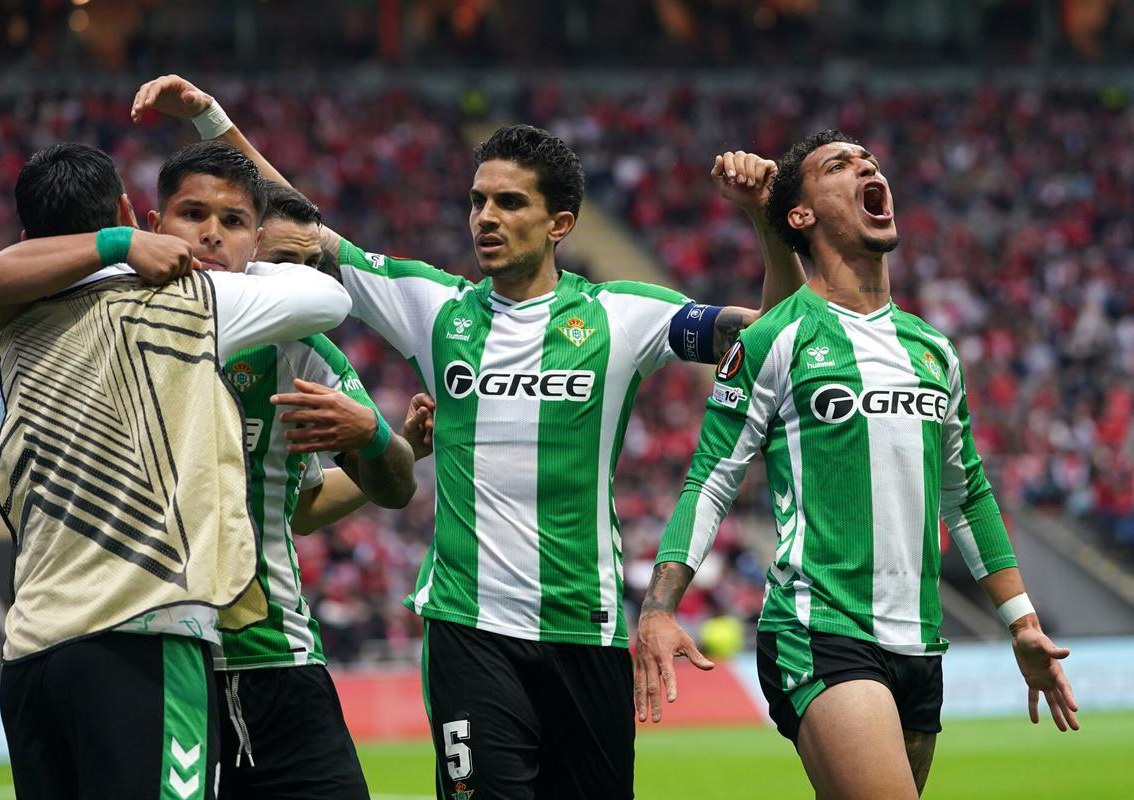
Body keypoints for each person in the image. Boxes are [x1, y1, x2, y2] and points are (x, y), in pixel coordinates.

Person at [132, 73, 806, 800]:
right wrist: (210, 118)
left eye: (510, 202)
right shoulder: (437, 308)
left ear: (561, 223)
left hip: (591, 632)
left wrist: (768, 223)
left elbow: (776, 336)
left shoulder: (623, 314)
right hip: (469, 631)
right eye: (478, 200)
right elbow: (294, 222)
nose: (485, 216)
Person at [635, 129, 1080, 799]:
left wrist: (1022, 623)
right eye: (839, 166)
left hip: (920, 645)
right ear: (802, 216)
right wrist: (659, 607)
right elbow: (712, 477)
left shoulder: (934, 349)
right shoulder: (774, 338)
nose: (867, 167)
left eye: (869, 161)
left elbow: (968, 496)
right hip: (820, 629)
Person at [0, 140, 427, 800]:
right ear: (148, 223)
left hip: (269, 658)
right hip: (157, 648)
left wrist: (386, 439)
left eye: (235, 223)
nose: (212, 234)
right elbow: (323, 293)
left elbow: (319, 501)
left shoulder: (294, 350)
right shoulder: (187, 307)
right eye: (193, 216)